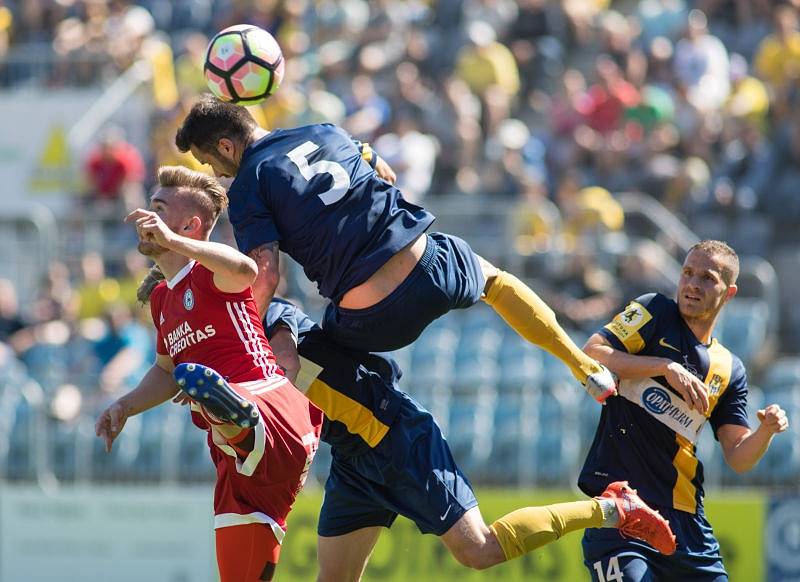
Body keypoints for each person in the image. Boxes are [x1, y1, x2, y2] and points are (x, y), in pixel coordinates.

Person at [174, 95, 617, 402]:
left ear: (228, 146)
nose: (218, 174)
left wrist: (240, 340)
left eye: (212, 162)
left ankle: (267, 410)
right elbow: (382, 170)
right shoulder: (326, 130)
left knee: (288, 329)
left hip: (374, 320)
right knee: (493, 280)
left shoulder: (250, 182)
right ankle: (582, 366)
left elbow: (265, 274)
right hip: (431, 269)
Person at [251, 296, 675, 582]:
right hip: (353, 456)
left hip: (397, 436)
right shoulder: (222, 348)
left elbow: (284, 367)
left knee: (479, 551)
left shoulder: (264, 312)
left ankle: (611, 508)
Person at [95, 166, 322, 582]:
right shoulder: (162, 299)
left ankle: (234, 414)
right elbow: (166, 371)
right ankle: (227, 415)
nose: (148, 217)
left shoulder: (212, 271)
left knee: (214, 394)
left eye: (159, 210)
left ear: (189, 225)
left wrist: (176, 243)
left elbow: (246, 271)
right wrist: (125, 405)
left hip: (273, 409)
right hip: (238, 466)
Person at [580, 240, 789, 581]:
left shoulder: (729, 369)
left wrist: (765, 432)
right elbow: (593, 353)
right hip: (622, 512)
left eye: (707, 278)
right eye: (688, 273)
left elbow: (738, 457)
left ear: (729, 292)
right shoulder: (653, 311)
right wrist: (663, 366)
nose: (693, 284)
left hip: (686, 524)